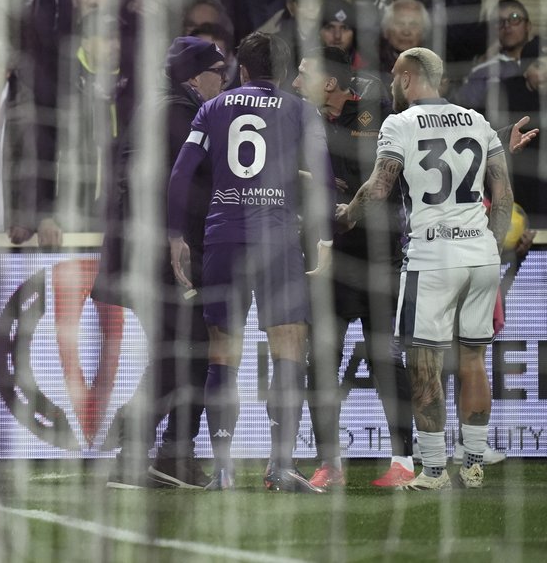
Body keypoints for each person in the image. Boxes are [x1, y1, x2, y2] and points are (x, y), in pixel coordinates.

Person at [336, 47, 513, 490]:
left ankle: (433, 470)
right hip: (481, 253)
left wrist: (347, 214)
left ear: (410, 77)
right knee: (473, 359)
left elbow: (378, 187)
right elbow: (504, 195)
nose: (393, 85)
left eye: (396, 77)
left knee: (423, 363)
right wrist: (490, 243)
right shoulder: (478, 120)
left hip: (432, 257)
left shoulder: (400, 122)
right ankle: (472, 465)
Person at [167, 32, 333, 492]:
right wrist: (323, 238)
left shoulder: (211, 108)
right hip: (277, 240)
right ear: (283, 74)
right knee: (289, 348)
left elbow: (181, 174)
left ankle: (222, 470)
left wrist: (175, 234)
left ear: (242, 70)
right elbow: (321, 173)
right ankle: (280, 466)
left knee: (222, 355)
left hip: (224, 238)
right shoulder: (301, 109)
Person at [101, 37, 226, 490]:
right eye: (219, 73)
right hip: (164, 259)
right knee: (184, 354)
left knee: (183, 353)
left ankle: (161, 455)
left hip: (150, 256)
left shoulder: (160, 109)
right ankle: (148, 451)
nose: (225, 83)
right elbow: (179, 191)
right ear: (195, 76)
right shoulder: (178, 114)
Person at [293, 46, 416, 489]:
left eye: (303, 74)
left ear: (329, 82)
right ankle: (330, 464)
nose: (294, 83)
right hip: (329, 258)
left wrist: (346, 195)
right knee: (321, 361)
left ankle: (403, 462)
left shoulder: (379, 113)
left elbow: (384, 181)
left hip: (380, 256)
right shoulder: (301, 119)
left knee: (388, 360)